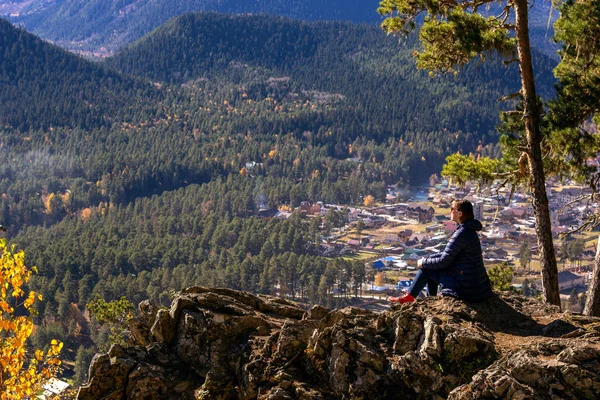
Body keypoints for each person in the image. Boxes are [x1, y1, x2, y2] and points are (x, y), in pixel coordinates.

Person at [389, 199, 492, 303]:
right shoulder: (469, 231)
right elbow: (447, 253)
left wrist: (423, 262)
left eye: (452, 209)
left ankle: (410, 297)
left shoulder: (462, 233)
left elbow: (443, 261)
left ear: (460, 213)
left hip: (464, 287)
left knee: (426, 269)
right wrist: (427, 259)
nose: (450, 211)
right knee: (429, 265)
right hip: (475, 284)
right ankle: (430, 300)